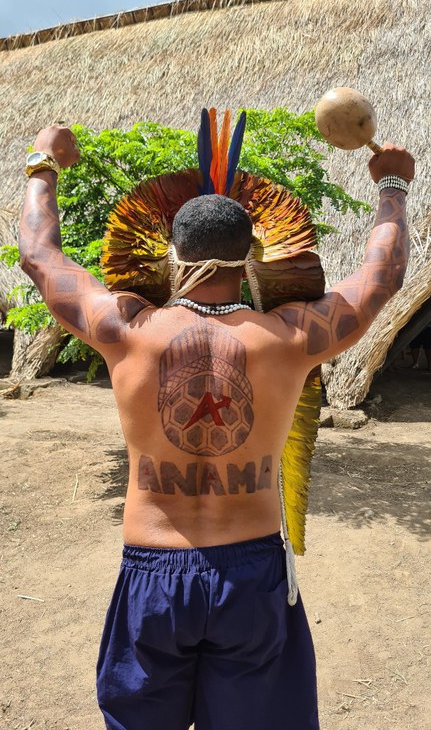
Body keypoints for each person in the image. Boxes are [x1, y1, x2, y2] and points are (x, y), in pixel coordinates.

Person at [19, 125, 414, 730]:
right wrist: (392, 186)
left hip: (152, 570)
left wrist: (43, 162)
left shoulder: (125, 330)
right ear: (251, 254)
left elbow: (39, 256)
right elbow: (381, 278)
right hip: (249, 575)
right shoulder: (291, 337)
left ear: (172, 254)